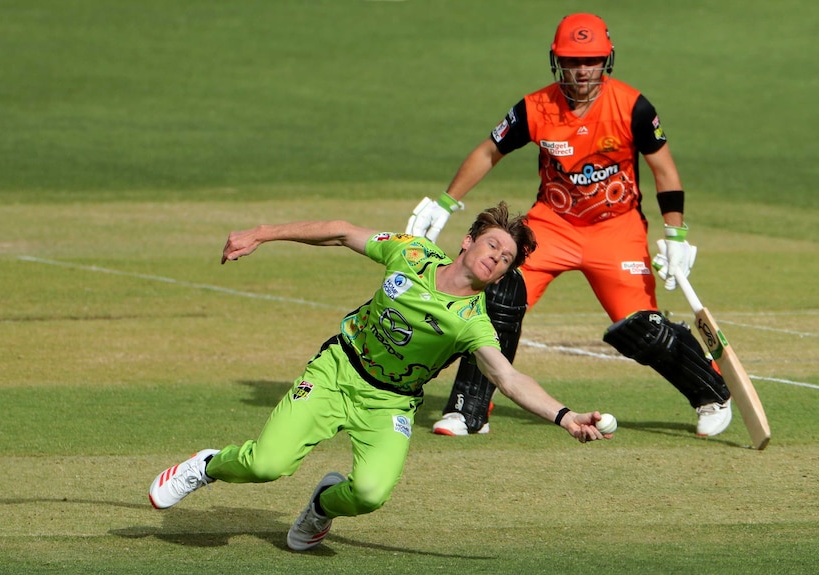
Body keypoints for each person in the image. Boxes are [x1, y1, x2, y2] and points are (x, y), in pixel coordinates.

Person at [148, 202, 612, 552]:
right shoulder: (411, 255)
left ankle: (323, 505)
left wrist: (565, 416)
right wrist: (263, 234)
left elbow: (508, 378)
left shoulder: (473, 322)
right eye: (493, 244)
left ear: (502, 276)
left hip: (390, 403)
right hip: (337, 371)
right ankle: (206, 466)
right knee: (266, 465)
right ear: (468, 242)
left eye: (507, 259)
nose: (497, 257)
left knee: (370, 494)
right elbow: (342, 233)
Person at [406, 13, 732, 438]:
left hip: (617, 229)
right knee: (498, 294)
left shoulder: (633, 107)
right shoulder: (534, 107)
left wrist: (676, 235)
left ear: (607, 60)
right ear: (556, 61)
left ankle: (711, 395)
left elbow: (664, 171)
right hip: (552, 226)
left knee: (640, 326)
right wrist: (445, 204)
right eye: (573, 61)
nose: (582, 71)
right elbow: (488, 152)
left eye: (592, 60)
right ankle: (468, 410)